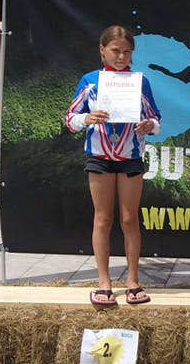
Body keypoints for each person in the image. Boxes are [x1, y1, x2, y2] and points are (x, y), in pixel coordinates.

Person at [66, 26, 161, 306]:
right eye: (115, 51)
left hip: (130, 157)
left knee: (129, 219)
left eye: (127, 52)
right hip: (100, 157)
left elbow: (156, 118)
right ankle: (104, 282)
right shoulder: (90, 81)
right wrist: (86, 118)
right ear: (102, 50)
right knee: (103, 218)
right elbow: (70, 119)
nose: (121, 57)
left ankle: (132, 281)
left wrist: (149, 125)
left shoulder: (140, 82)